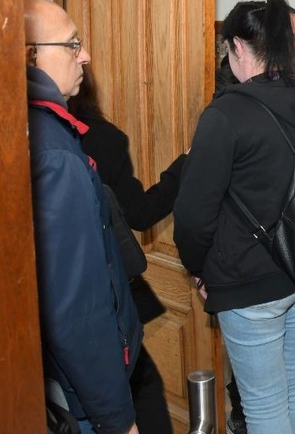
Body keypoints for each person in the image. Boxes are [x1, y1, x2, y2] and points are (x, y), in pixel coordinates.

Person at [173, 0, 295, 434]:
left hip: (247, 283)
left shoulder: (226, 114)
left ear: (239, 47)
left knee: (265, 405)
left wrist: (198, 266)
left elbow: (194, 216)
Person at [24, 0, 142, 434]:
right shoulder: (55, 156)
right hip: (82, 399)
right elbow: (76, 308)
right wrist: (118, 418)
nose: (85, 57)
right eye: (72, 45)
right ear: (31, 56)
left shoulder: (40, 129)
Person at [68, 67, 186, 433]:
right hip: (107, 296)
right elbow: (140, 213)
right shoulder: (102, 140)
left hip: (60, 303)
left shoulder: (32, 135)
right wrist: (186, 165)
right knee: (141, 386)